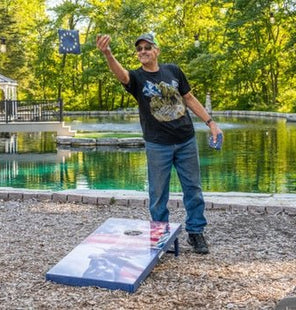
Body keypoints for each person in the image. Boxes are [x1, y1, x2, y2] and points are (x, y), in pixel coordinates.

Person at [96, 32, 223, 254]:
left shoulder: (173, 71)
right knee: (158, 194)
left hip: (185, 140)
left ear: (157, 51)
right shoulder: (137, 78)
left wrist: (211, 123)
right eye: (139, 49)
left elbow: (189, 99)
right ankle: (160, 235)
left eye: (147, 47)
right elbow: (121, 75)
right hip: (157, 145)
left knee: (193, 189)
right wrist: (108, 54)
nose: (143, 51)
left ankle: (195, 232)